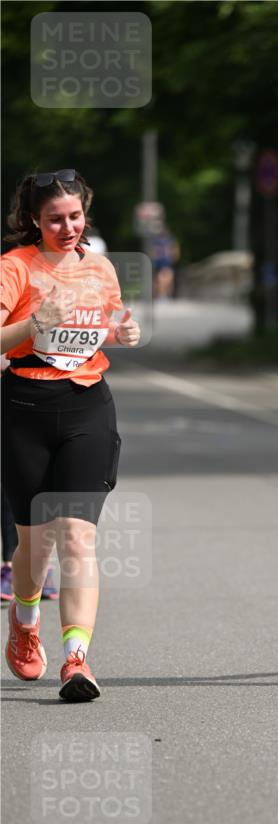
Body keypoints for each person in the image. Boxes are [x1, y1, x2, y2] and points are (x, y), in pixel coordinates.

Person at [0, 168, 140, 701]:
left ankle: (76, 660)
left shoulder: (100, 267)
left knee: (78, 537)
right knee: (33, 546)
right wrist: (34, 324)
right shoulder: (14, 268)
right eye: (55, 219)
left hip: (87, 406)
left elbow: (108, 322)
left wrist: (124, 330)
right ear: (34, 221)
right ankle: (26, 616)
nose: (68, 227)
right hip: (24, 407)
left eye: (75, 216)